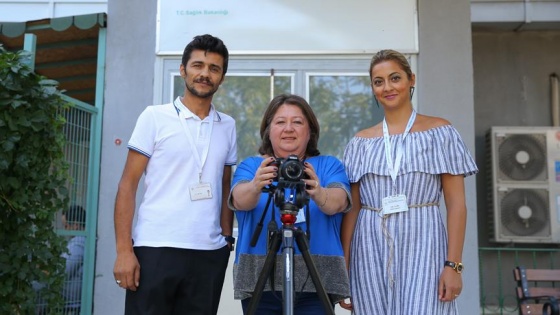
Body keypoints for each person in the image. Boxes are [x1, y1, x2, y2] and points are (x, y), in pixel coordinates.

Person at [340, 49, 478, 315]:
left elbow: (456, 204)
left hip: (424, 243)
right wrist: (343, 268)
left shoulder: (440, 132)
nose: (387, 87)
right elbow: (352, 209)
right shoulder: (360, 143)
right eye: (378, 82)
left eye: (395, 78)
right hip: (369, 247)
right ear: (372, 88)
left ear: (411, 79)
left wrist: (454, 266)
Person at [112, 34, 237, 315]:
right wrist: (124, 251)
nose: (205, 74)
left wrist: (226, 239)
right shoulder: (154, 117)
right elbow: (127, 185)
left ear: (222, 77)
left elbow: (225, 183)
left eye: (214, 68)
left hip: (209, 253)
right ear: (183, 70)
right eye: (198, 65)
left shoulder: (228, 125)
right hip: (155, 248)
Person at [229, 93, 351, 314]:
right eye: (280, 122)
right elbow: (239, 199)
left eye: (297, 122)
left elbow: (339, 202)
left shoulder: (328, 165)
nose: (288, 129)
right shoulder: (254, 166)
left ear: (310, 131)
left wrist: (319, 192)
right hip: (260, 281)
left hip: (318, 282)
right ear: (268, 130)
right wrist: (256, 185)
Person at [34, 205, 86, 314]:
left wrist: (42, 271)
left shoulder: (78, 242)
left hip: (70, 296)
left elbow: (62, 273)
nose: (65, 230)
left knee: (33, 285)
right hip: (67, 292)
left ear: (75, 225)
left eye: (66, 226)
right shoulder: (80, 241)